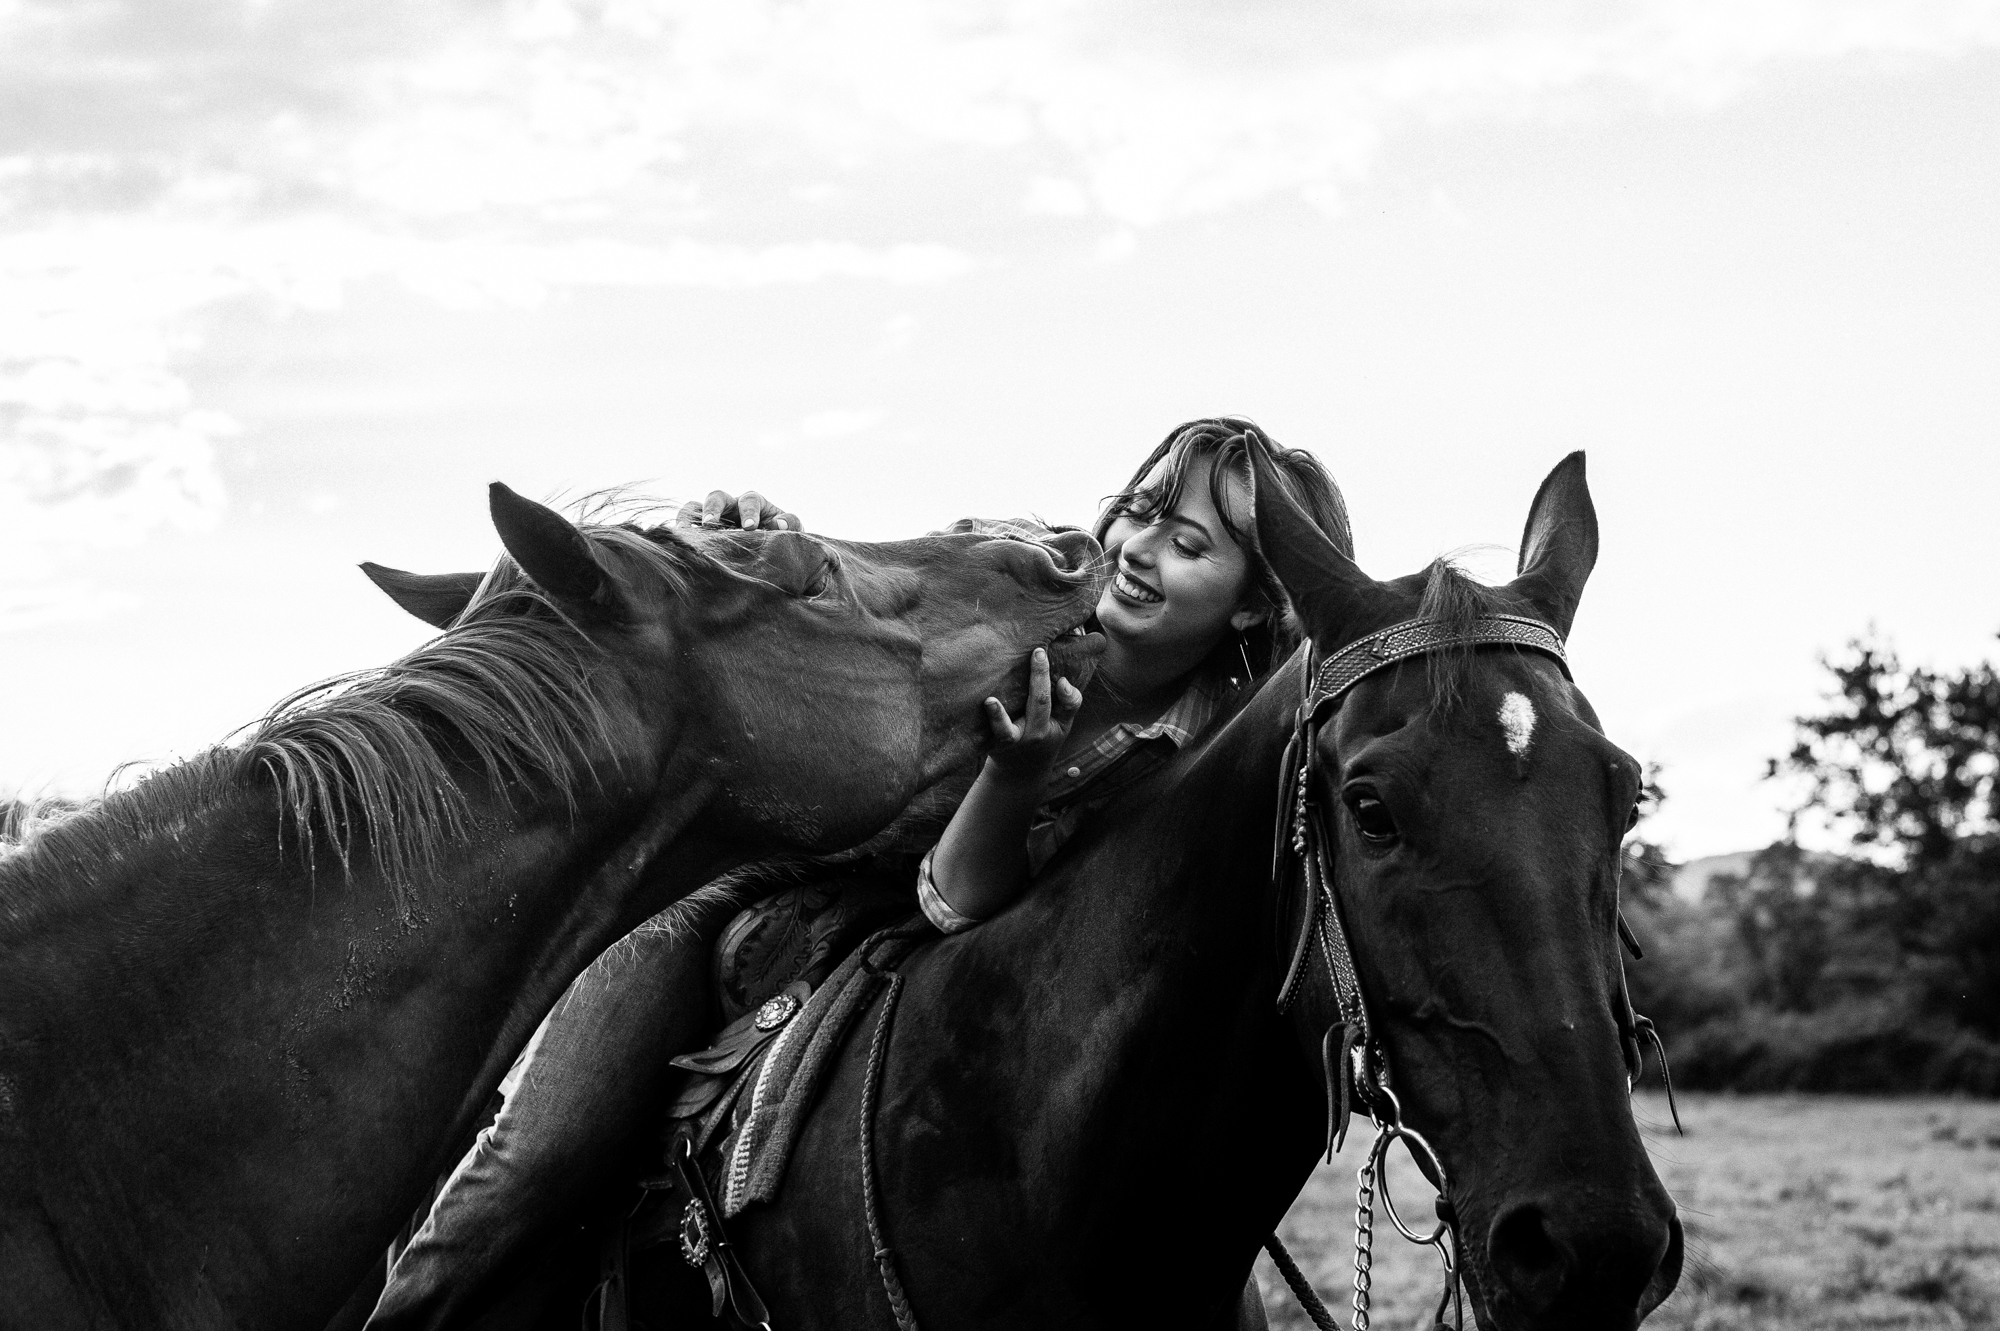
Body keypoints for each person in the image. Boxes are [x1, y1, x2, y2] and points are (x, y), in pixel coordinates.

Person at [365, 418, 1351, 1330]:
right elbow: (852, 610)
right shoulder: (1020, 583)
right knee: (541, 1158)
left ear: (1254, 602)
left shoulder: (1210, 767)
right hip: (771, 882)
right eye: (1139, 509)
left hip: (969, 968)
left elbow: (971, 915)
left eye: (1186, 545)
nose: (1135, 548)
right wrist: (761, 541)